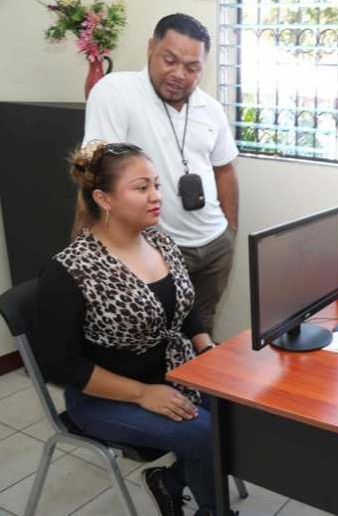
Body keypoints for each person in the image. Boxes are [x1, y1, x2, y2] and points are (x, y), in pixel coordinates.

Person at [34, 141, 223, 516]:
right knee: (208, 435)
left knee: (247, 417)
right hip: (105, 398)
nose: (156, 196)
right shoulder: (70, 270)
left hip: (174, 372)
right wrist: (141, 394)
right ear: (104, 199)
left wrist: (206, 348)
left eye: (156, 185)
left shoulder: (159, 240)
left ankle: (168, 482)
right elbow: (59, 365)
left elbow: (184, 306)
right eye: (141, 188)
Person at [84, 13, 239, 334]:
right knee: (152, 335)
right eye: (169, 60)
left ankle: (190, 384)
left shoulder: (210, 109)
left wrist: (230, 230)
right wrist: (94, 249)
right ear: (150, 48)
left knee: (202, 326)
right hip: (158, 247)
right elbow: (94, 171)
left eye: (193, 67)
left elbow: (224, 170)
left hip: (214, 244)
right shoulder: (116, 92)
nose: (179, 74)